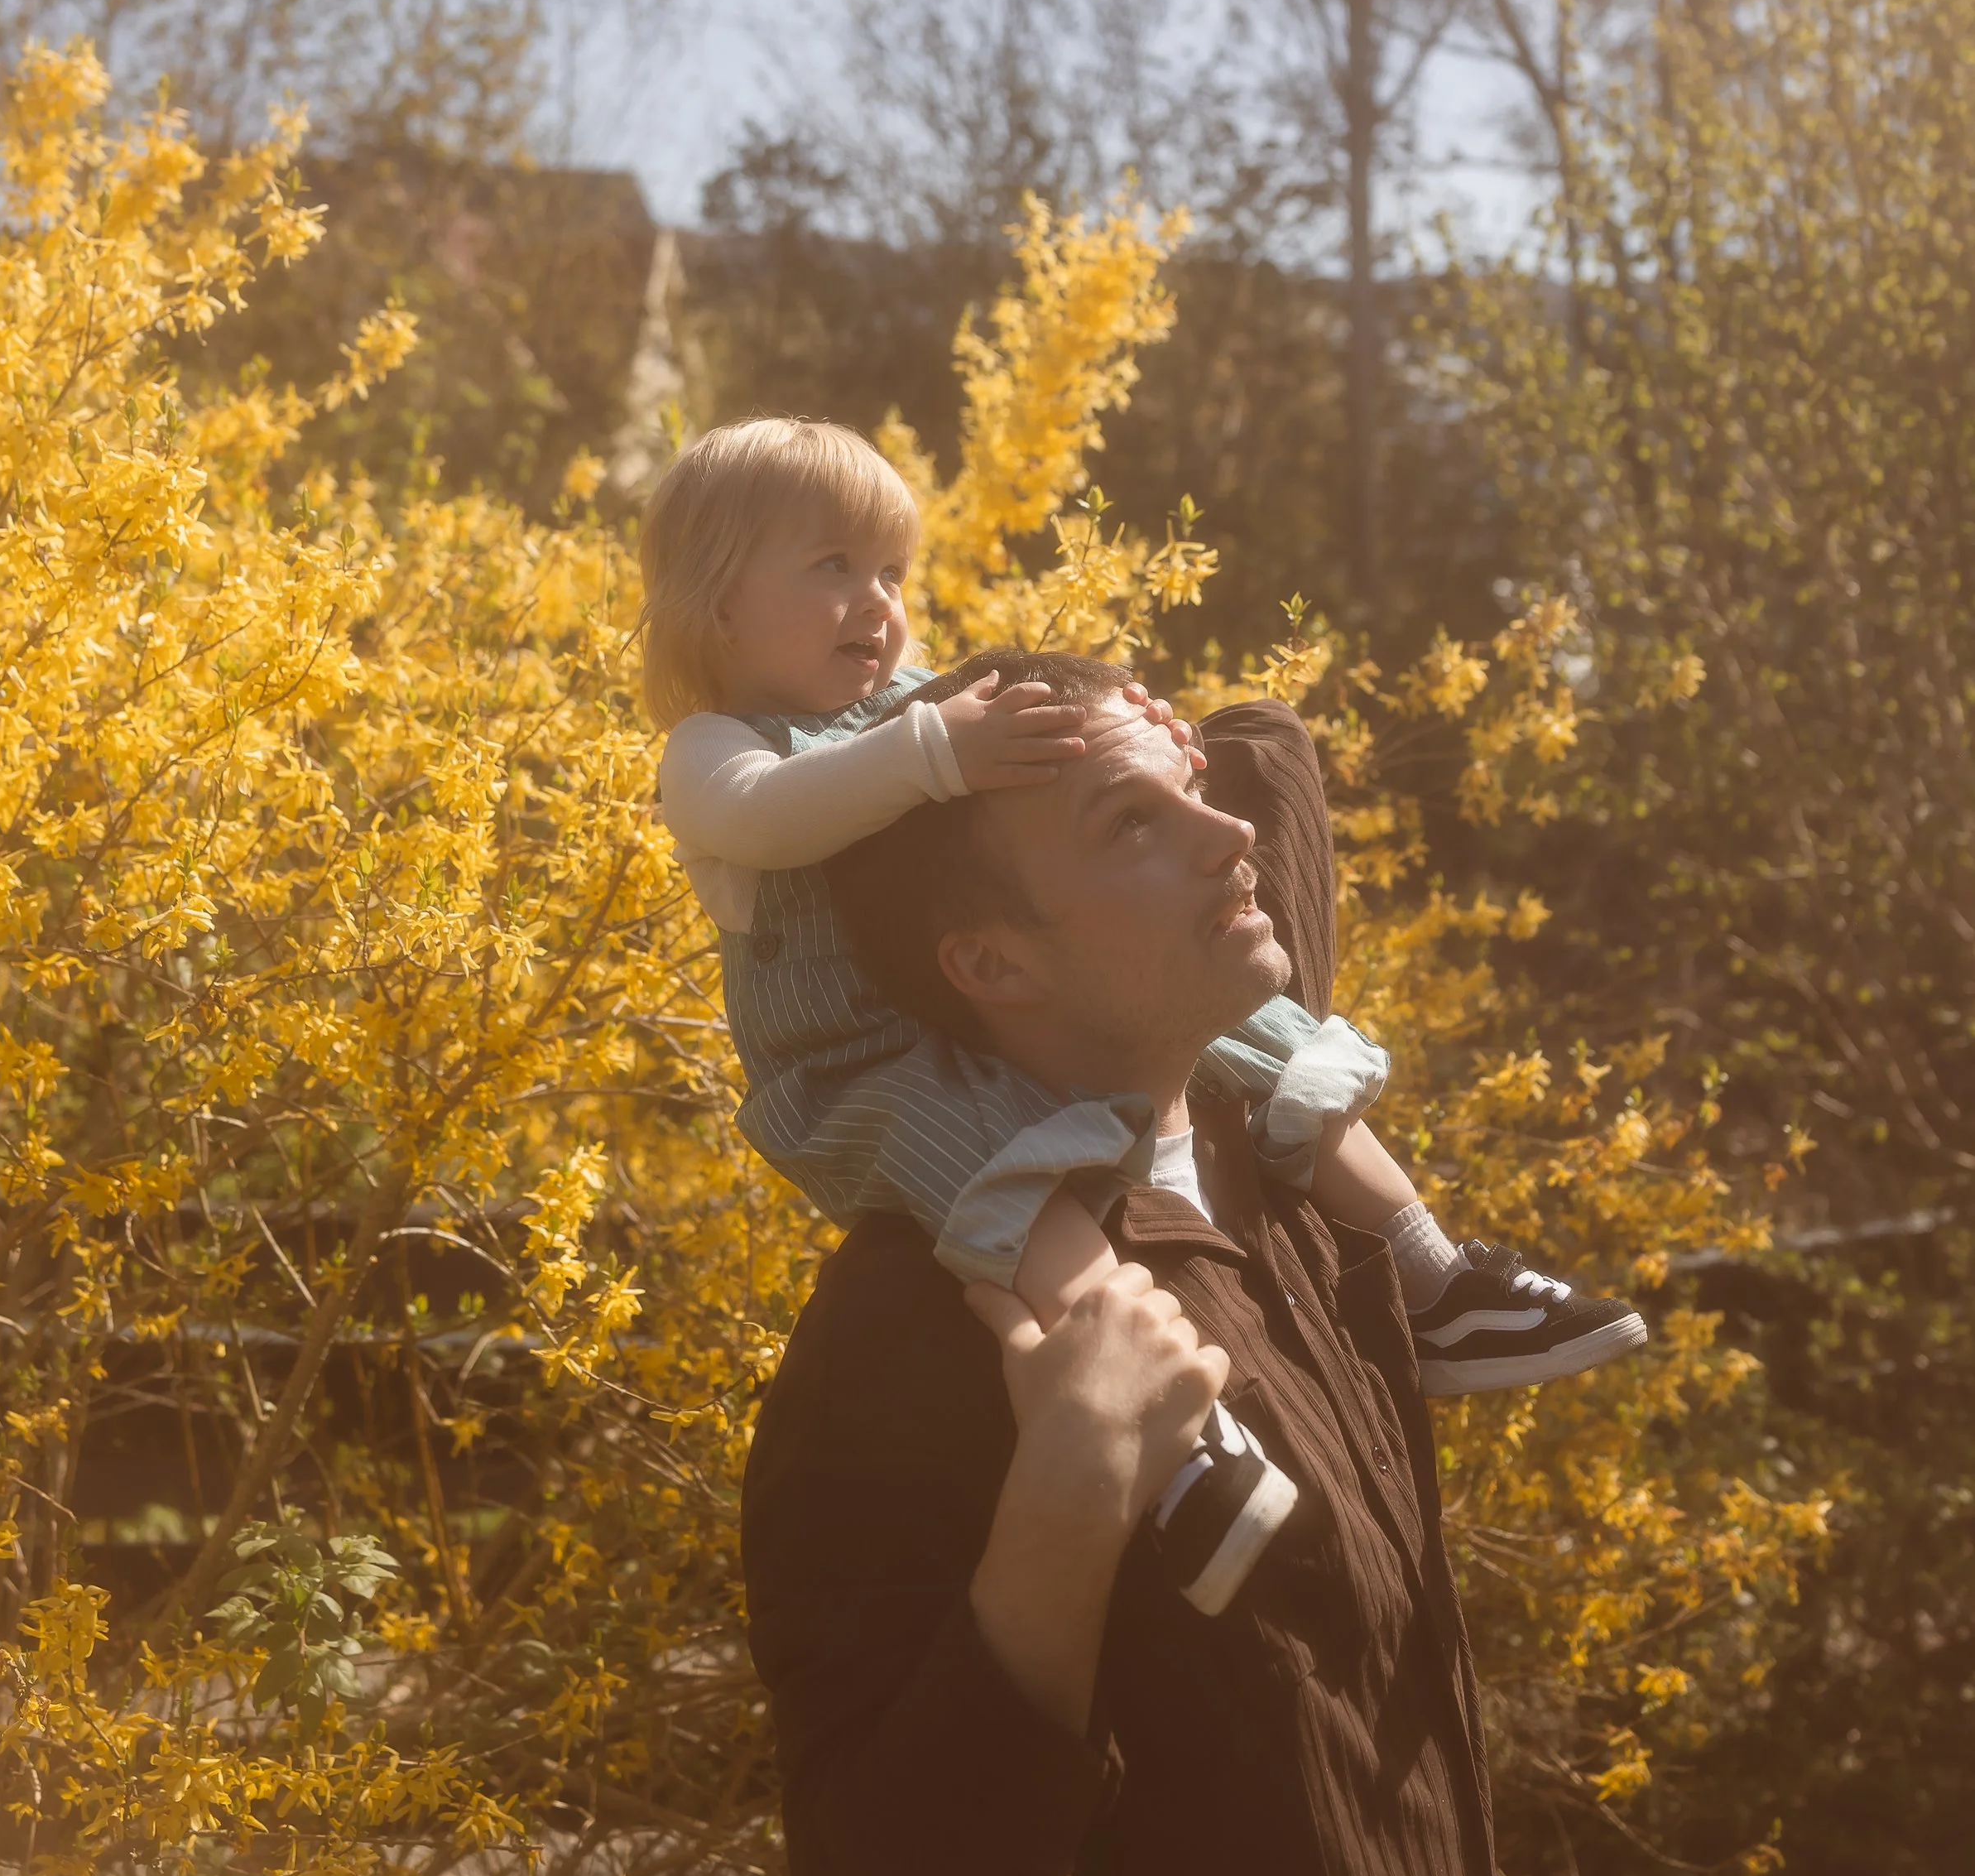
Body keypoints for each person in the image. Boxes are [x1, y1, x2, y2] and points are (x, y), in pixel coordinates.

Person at [642, 416, 1643, 1606]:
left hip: (990, 1006)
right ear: (716, 603)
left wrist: (1146, 740)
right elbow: (772, 817)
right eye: (832, 567)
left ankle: (1434, 1277)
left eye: (891, 572)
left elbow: (1049, 761)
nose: (877, 601)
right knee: (1018, 1183)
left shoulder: (911, 707)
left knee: (1263, 1038)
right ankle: (1170, 1431)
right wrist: (933, 753)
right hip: (867, 1069)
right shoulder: (714, 749)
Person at [742, 654, 1536, 1876]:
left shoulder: (1279, 1181)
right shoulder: (911, 1333)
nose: (1228, 836)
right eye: (1135, 824)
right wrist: (1063, 1506)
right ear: (989, 959)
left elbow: (1268, 758)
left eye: (1191, 789)